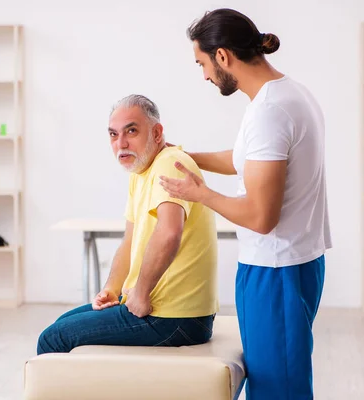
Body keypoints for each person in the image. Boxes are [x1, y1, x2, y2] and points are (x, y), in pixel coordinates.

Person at [159, 8, 331, 400]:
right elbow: (245, 160)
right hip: (293, 264)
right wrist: (183, 154)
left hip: (276, 270)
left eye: (202, 63)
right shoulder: (288, 94)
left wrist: (199, 193)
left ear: (223, 56)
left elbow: (260, 216)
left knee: (277, 390)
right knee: (279, 381)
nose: (203, 75)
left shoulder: (269, 112)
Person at [37, 94, 219, 355]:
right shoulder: (141, 172)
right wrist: (111, 290)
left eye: (131, 131)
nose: (121, 143)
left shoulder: (170, 163)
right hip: (162, 312)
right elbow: (130, 242)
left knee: (53, 339)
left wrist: (142, 294)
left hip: (176, 318)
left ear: (157, 133)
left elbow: (169, 233)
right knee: (63, 324)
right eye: (113, 134)